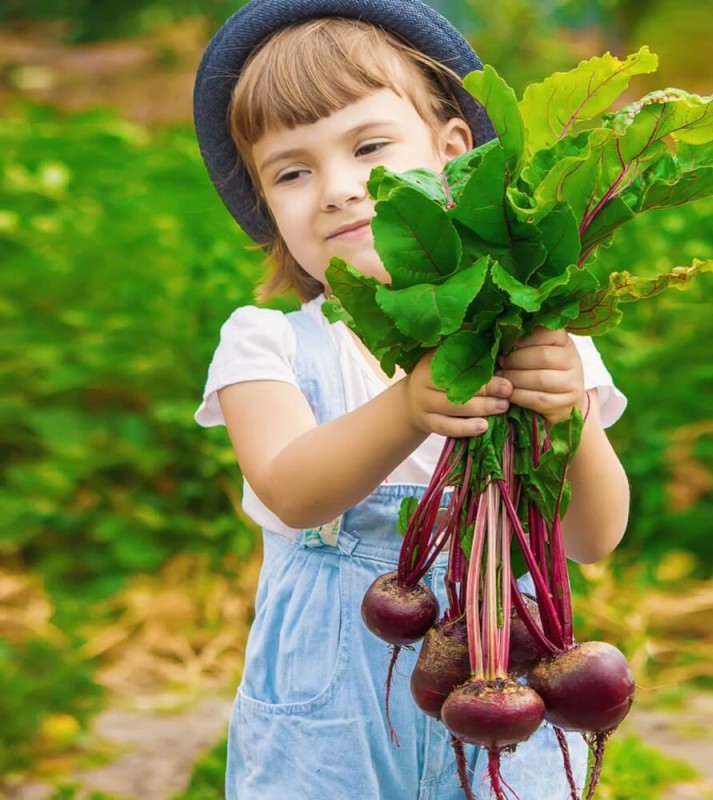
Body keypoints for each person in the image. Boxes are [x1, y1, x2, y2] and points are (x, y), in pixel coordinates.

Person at [193, 1, 630, 798]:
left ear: (453, 152)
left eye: (369, 147)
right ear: (267, 207)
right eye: (292, 171)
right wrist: (404, 410)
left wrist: (569, 413)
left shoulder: (535, 339)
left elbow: (593, 536)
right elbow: (290, 491)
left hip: (508, 710)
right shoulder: (268, 341)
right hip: (327, 746)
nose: (337, 190)